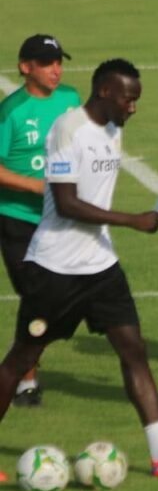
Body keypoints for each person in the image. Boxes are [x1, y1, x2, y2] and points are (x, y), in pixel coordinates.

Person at [0, 59, 158, 478]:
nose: (133, 108)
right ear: (103, 92)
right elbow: (66, 203)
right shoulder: (68, 129)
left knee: (134, 351)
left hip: (100, 266)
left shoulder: (114, 126)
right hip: (55, 269)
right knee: (19, 359)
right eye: (128, 99)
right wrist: (133, 220)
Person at [0, 35, 81, 409]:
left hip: (60, 218)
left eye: (58, 62)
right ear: (25, 67)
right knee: (34, 295)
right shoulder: (12, 112)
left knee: (53, 299)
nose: (56, 70)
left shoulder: (71, 100)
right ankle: (26, 378)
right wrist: (34, 184)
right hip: (18, 219)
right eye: (47, 63)